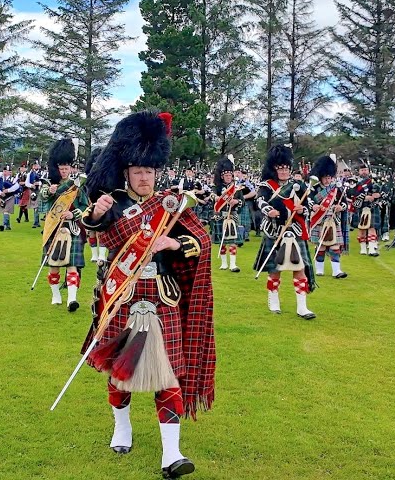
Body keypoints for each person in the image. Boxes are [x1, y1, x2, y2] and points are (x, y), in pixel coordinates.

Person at [79, 110, 213, 479]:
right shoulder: (113, 204)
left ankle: (172, 454)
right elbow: (93, 228)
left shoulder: (171, 206)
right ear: (126, 170)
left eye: (149, 171)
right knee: (119, 373)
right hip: (122, 295)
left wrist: (174, 242)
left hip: (162, 299)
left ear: (157, 170)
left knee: (168, 375)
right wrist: (94, 213)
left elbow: (201, 240)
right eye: (138, 170)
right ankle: (122, 428)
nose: (144, 176)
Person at [254, 144, 317, 319]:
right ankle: (273, 300)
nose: (283, 171)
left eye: (286, 168)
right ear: (274, 168)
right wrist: (269, 211)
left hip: (294, 230)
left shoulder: (298, 185)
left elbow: (309, 204)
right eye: (280, 168)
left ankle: (302, 307)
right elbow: (260, 201)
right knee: (275, 268)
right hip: (274, 231)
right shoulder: (266, 185)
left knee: (299, 267)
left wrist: (302, 210)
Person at [40, 139, 88, 310]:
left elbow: (85, 207)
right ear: (57, 169)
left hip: (71, 228)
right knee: (53, 265)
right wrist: (49, 191)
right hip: (53, 228)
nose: (64, 171)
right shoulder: (48, 184)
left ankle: (72, 299)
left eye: (67, 169)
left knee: (71, 265)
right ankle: (56, 295)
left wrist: (73, 214)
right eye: (61, 169)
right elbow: (43, 197)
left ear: (71, 169)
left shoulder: (77, 186)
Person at [309, 153, 348, 279]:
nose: (328, 180)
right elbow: (308, 201)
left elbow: (344, 203)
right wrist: (313, 206)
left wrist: (340, 207)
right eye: (325, 177)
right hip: (319, 219)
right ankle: (319, 269)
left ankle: (336, 271)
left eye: (330, 177)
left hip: (333, 219)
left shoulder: (336, 188)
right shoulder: (314, 188)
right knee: (321, 246)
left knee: (334, 246)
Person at [210, 155, 244, 272]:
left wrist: (236, 201)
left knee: (233, 241)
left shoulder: (236, 188)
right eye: (226, 175)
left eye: (230, 175)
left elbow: (242, 202)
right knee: (222, 242)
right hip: (220, 216)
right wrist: (217, 198)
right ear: (222, 176)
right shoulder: (217, 187)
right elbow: (212, 195)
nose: (229, 177)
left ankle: (233, 264)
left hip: (232, 216)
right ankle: (224, 263)